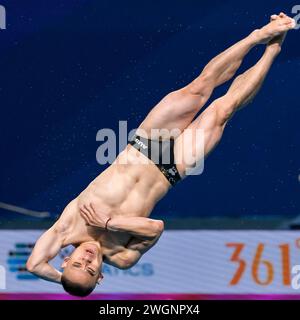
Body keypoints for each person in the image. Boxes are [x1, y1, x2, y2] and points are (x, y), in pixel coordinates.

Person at [26, 13, 295, 297]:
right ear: (101, 276)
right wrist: (107, 223)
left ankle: (259, 35)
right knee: (223, 109)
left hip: (145, 144)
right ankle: (273, 49)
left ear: (66, 260)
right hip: (173, 168)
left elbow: (34, 265)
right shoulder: (122, 257)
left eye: (78, 263)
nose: (88, 260)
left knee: (200, 86)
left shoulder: (66, 228)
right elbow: (155, 227)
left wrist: (67, 280)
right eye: (91, 270)